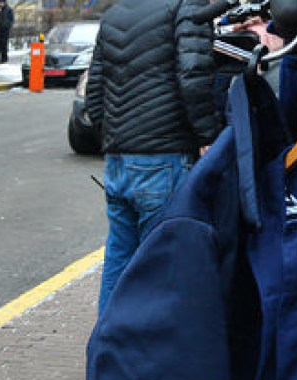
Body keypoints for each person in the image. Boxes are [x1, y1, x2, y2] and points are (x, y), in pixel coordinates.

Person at [85, 0, 221, 315]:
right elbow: (194, 75)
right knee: (161, 264)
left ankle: (107, 349)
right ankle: (151, 356)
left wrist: (114, 140)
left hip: (119, 158)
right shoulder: (187, 7)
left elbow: (95, 90)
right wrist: (207, 136)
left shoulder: (114, 14)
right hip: (164, 156)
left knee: (119, 258)